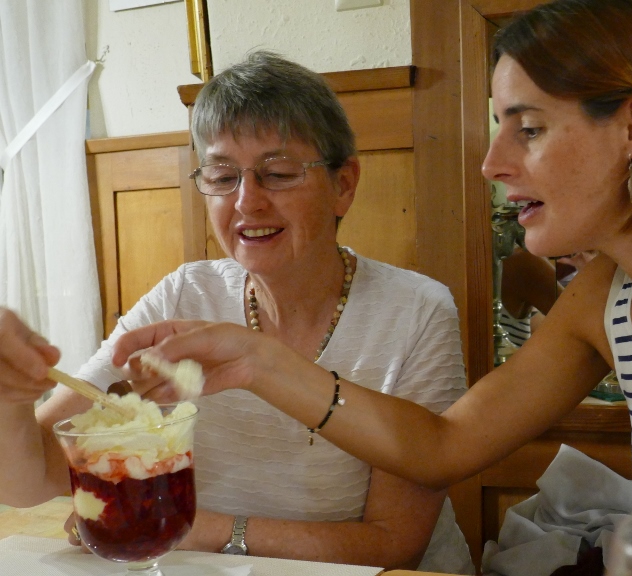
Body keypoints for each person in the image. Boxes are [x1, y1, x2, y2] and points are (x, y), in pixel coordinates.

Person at [39, 1, 632, 574]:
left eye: (529, 126)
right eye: (495, 125)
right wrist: (259, 361)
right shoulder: (604, 303)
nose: (493, 163)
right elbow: (444, 446)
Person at [0, 51, 475, 574]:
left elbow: (395, 546)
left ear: (343, 185)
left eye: (279, 173)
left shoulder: (415, 312)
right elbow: (30, 479)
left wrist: (193, 528)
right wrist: (9, 396)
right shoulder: (184, 294)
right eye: (223, 177)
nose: (248, 202)